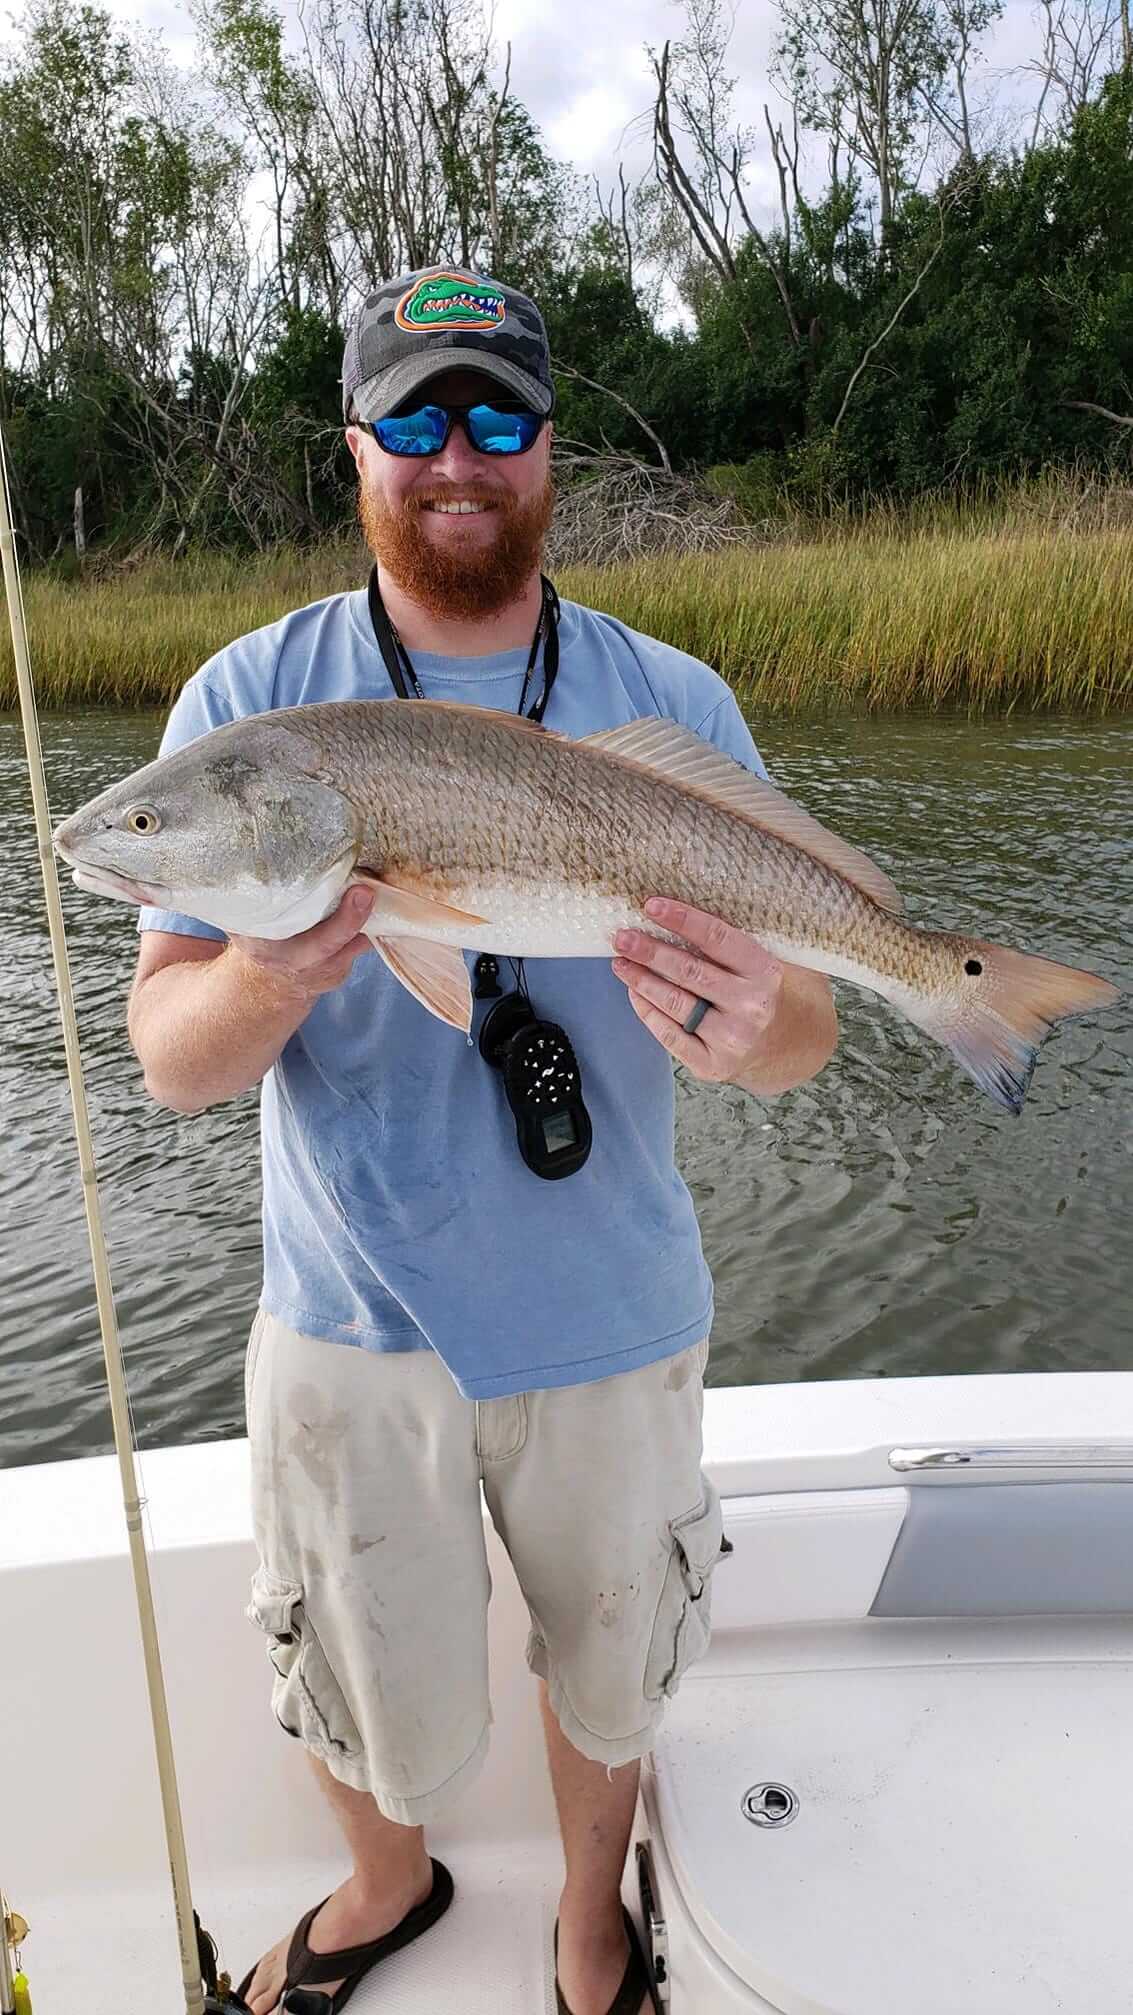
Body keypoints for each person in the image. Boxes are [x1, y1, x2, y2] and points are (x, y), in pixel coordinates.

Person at [128, 266, 838, 2015]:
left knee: (611, 1672)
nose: (459, 455)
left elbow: (802, 1039)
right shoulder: (249, 701)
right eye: (418, 417)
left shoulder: (669, 698)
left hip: (613, 1311)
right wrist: (273, 974)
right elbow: (170, 1061)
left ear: (549, 446)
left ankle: (590, 1923)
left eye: (498, 415)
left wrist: (761, 1023)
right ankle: (389, 1884)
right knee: (353, 1675)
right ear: (356, 445)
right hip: (346, 1322)